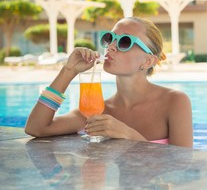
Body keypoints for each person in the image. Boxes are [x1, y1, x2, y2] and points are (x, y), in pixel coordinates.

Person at [25, 17, 193, 147]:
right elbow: (36, 128)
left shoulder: (175, 101)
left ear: (148, 61)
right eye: (110, 38)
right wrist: (68, 71)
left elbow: (182, 165)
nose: (111, 46)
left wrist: (128, 134)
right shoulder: (96, 111)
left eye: (124, 42)